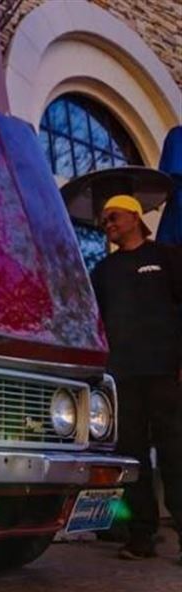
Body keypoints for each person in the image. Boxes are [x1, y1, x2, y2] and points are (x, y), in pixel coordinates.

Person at [90, 194, 182, 562]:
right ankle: (141, 537)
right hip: (122, 376)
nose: (108, 225)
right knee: (132, 457)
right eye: (104, 223)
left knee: (176, 453)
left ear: (134, 215)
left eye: (113, 217)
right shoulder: (103, 271)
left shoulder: (168, 258)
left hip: (164, 372)